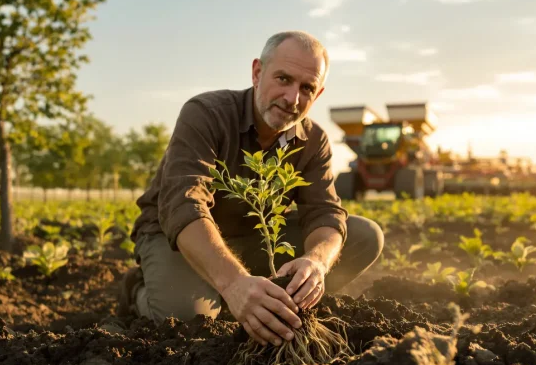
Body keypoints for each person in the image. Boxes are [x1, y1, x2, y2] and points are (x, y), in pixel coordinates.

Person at [117, 30, 384, 347]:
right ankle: (138, 291)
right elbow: (183, 205)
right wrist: (234, 284)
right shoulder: (207, 114)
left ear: (319, 93)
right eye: (283, 79)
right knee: (189, 321)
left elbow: (324, 212)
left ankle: (263, 298)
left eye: (307, 88)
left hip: (254, 238)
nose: (292, 98)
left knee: (365, 235)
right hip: (178, 234)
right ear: (257, 72)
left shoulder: (314, 141)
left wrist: (316, 262)